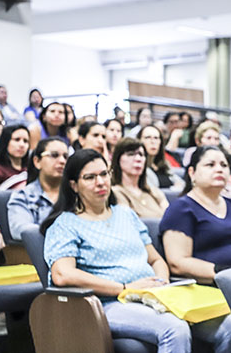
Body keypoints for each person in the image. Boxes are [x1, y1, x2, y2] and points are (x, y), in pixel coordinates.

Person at [39, 149, 192, 353]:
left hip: (150, 296)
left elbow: (155, 260)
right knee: (175, 329)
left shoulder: (126, 214)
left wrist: (161, 282)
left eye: (104, 174)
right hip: (108, 303)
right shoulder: (66, 224)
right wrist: (124, 287)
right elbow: (62, 274)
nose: (100, 182)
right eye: (90, 177)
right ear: (74, 185)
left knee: (226, 324)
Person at [160, 146, 231, 353]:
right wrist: (227, 273)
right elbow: (178, 261)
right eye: (210, 164)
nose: (219, 169)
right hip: (209, 294)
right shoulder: (181, 209)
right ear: (192, 173)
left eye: (224, 165)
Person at [8, 137, 68, 240]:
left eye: (66, 157)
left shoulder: (76, 194)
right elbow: (22, 230)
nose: (62, 161)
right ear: (37, 161)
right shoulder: (23, 197)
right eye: (54, 155)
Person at [111, 138, 169, 219]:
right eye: (131, 154)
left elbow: (170, 220)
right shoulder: (115, 192)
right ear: (118, 160)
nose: (138, 159)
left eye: (141, 155)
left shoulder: (154, 192)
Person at [138, 125, 184, 191]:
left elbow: (182, 184)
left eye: (156, 138)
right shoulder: (138, 167)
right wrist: (173, 189)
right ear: (139, 140)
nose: (153, 141)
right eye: (148, 137)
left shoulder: (164, 164)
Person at [0, 124, 30, 190]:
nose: (22, 145)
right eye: (17, 140)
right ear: (6, 141)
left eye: (25, 141)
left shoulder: (30, 170)